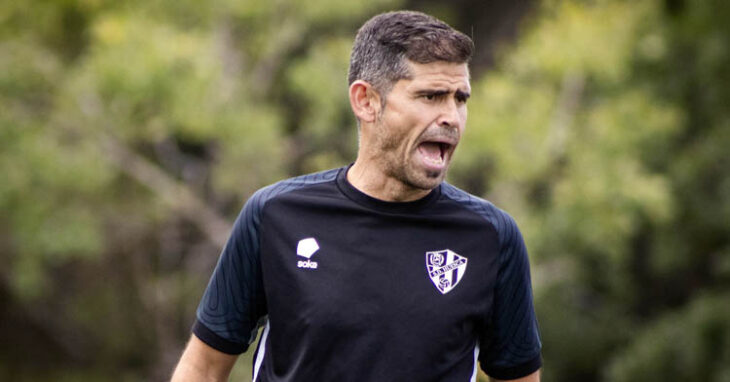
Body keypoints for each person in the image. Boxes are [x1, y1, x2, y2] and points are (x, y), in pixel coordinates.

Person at [172, 10, 542, 382]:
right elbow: (202, 369)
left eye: (460, 99)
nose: (452, 117)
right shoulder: (275, 215)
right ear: (366, 101)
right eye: (431, 96)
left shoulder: (492, 237)